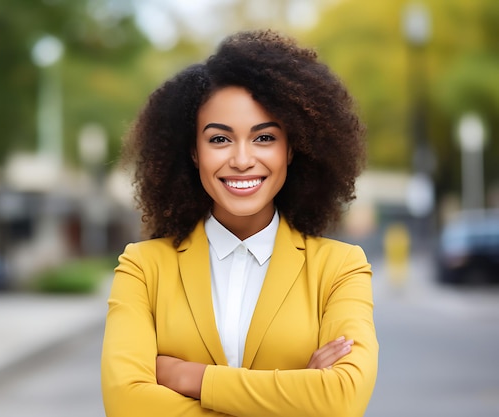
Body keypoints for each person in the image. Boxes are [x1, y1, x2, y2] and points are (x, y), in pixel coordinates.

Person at [101, 29, 378, 417]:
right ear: (194, 152)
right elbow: (127, 404)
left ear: (292, 148)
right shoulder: (143, 268)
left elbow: (342, 399)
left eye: (264, 138)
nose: (243, 160)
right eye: (219, 140)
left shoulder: (339, 269)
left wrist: (191, 378)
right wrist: (297, 398)